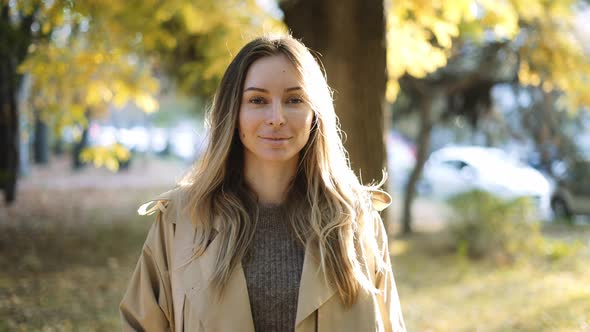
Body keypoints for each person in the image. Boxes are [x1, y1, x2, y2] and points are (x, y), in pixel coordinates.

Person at [120, 34, 406, 332]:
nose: (276, 117)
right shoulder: (181, 219)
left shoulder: (356, 219)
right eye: (258, 100)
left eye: (294, 100)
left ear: (315, 114)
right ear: (233, 112)